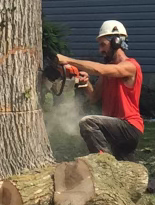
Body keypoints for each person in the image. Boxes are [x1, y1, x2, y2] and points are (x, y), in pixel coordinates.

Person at [57, 18, 143, 158]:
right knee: (126, 174)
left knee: (88, 123)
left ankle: (103, 165)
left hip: (128, 127)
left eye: (103, 45)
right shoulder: (108, 72)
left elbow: (100, 70)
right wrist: (86, 83)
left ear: (116, 42)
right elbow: (93, 97)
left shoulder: (130, 66)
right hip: (112, 129)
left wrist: (67, 60)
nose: (100, 50)